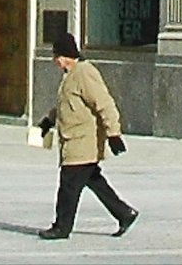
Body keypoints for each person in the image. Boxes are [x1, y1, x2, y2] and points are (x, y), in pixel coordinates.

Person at [36, 32, 138, 239]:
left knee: (68, 187)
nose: (55, 60)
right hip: (74, 142)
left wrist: (114, 134)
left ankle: (61, 227)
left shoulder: (84, 73)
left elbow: (104, 103)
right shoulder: (70, 76)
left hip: (82, 142)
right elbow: (66, 105)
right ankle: (124, 213)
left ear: (65, 55)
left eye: (56, 56)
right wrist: (49, 121)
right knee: (95, 181)